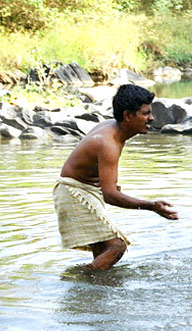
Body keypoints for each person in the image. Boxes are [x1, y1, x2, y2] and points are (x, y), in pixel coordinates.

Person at [52, 84, 178, 271]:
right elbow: (109, 195)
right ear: (127, 115)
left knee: (104, 250)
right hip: (74, 193)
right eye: (145, 113)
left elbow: (99, 177)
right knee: (116, 247)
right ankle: (82, 284)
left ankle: (97, 292)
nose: (151, 118)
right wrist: (151, 206)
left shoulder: (113, 129)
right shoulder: (107, 143)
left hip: (82, 190)